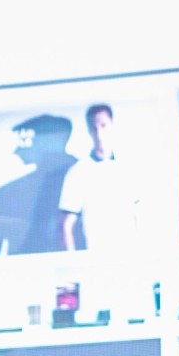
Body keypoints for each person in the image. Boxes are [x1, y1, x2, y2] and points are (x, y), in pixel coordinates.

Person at [0, 115, 75, 257]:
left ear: (50, 142)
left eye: (25, 141)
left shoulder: (90, 179)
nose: (17, 151)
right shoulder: (9, 193)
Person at [58, 103, 141, 255]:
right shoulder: (78, 172)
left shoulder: (128, 168)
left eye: (104, 126)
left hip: (130, 258)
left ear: (112, 125)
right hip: (96, 260)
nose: (99, 133)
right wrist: (73, 264)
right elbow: (66, 226)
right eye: (94, 128)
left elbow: (140, 216)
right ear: (89, 130)